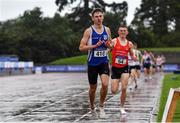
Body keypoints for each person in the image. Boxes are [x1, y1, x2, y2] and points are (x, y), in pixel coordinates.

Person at [79, 8, 112, 118]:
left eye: (100, 16)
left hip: (104, 62)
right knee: (93, 88)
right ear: (92, 18)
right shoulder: (89, 31)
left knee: (105, 84)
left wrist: (109, 46)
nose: (98, 18)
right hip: (92, 63)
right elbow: (81, 47)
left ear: (103, 17)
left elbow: (111, 46)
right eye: (96, 16)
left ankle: (101, 106)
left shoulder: (107, 30)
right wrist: (94, 46)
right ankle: (92, 105)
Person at [109, 25, 136, 114]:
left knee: (124, 88)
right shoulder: (114, 41)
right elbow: (109, 49)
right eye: (121, 31)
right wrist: (108, 48)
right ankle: (118, 80)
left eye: (124, 31)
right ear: (118, 32)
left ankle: (122, 107)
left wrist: (134, 56)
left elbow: (131, 54)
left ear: (127, 32)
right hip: (115, 68)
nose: (123, 32)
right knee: (114, 91)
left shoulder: (129, 44)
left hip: (125, 68)